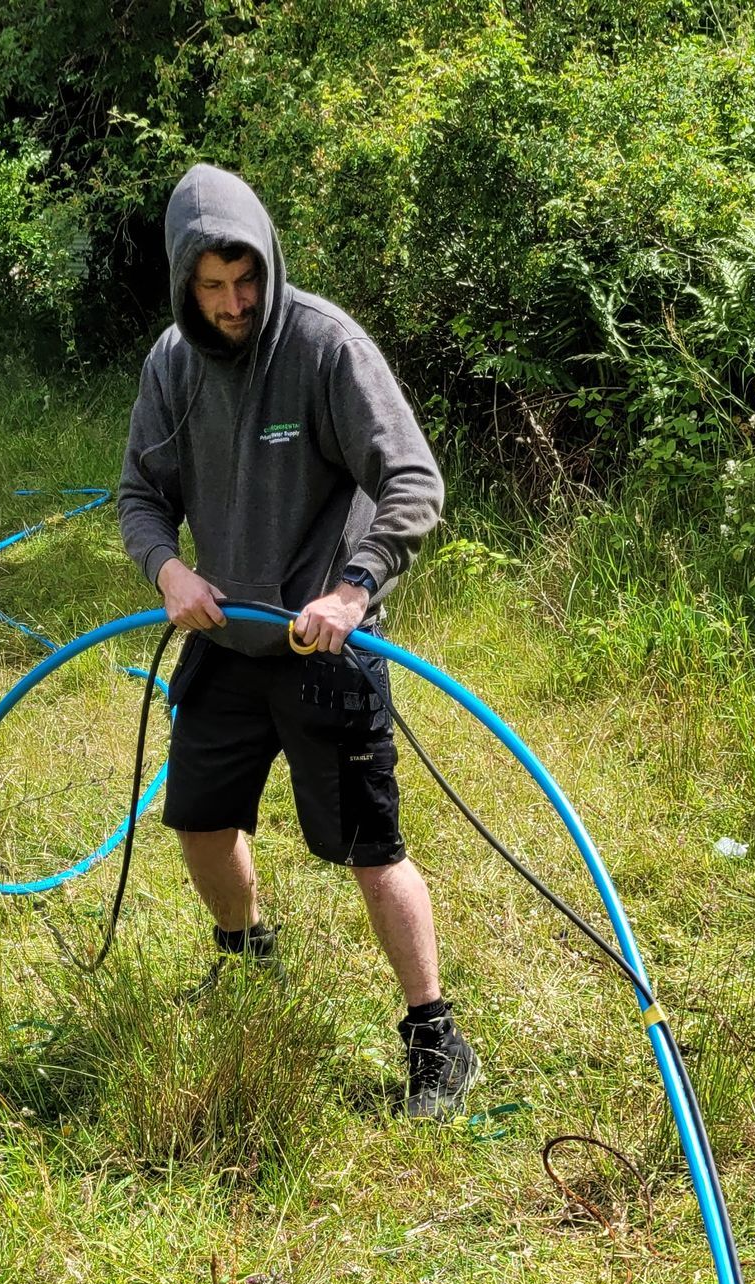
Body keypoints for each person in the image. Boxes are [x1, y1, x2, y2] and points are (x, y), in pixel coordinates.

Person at [118, 165, 478, 1119]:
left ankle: (436, 1036)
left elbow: (412, 481)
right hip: (226, 643)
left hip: (329, 647)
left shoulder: (325, 347)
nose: (235, 304)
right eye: (213, 287)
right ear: (183, 285)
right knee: (197, 820)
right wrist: (169, 572)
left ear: (268, 261)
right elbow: (140, 498)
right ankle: (248, 958)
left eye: (247, 279)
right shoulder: (172, 366)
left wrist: (354, 591)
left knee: (369, 848)